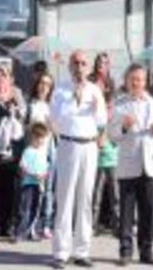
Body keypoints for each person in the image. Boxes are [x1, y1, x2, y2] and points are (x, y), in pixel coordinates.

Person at [50, 50, 107, 269]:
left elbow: (102, 120)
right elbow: (53, 119)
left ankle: (82, 251)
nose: (80, 67)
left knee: (85, 199)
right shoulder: (61, 90)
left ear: (88, 67)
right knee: (64, 199)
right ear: (70, 66)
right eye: (76, 63)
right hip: (68, 144)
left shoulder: (95, 90)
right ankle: (61, 253)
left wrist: (94, 108)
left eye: (83, 63)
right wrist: (73, 101)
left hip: (89, 145)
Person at [108, 63, 153, 266]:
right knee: (126, 210)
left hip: (149, 164)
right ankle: (125, 251)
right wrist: (123, 127)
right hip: (128, 163)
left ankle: (147, 250)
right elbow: (112, 136)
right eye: (133, 79)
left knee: (149, 210)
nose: (137, 83)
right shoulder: (119, 104)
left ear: (146, 82)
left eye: (140, 79)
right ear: (127, 81)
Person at [0, 62, 25, 239]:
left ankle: (7, 225)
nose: (1, 76)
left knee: (10, 188)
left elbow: (24, 117)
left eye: (5, 73)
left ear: (10, 78)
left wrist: (15, 110)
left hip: (11, 148)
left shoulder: (16, 95)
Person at [89, 53, 119, 237]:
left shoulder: (111, 83)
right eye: (99, 62)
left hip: (110, 135)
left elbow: (114, 108)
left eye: (105, 62)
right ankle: (91, 225)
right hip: (94, 134)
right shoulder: (90, 82)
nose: (102, 65)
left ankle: (117, 224)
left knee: (114, 188)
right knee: (96, 188)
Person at [25, 72, 56, 240]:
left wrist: (52, 125)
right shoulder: (31, 104)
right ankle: (31, 225)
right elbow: (24, 128)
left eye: (48, 84)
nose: (44, 87)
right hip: (35, 150)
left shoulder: (54, 105)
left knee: (49, 190)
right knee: (34, 189)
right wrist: (34, 126)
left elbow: (58, 129)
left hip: (50, 148)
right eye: (42, 83)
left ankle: (46, 224)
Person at [13, 122, 51, 241]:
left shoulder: (42, 152)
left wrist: (44, 175)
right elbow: (23, 167)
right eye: (38, 138)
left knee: (36, 208)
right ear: (33, 137)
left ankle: (31, 231)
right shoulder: (28, 151)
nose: (40, 141)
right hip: (28, 184)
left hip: (38, 184)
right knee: (24, 208)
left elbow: (46, 168)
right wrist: (33, 175)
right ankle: (18, 232)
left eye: (42, 139)